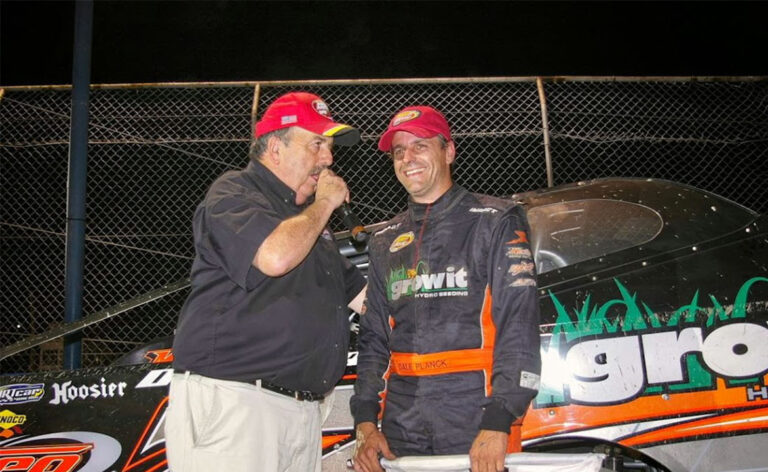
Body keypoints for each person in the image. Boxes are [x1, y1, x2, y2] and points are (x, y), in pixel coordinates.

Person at [165, 91, 367, 472]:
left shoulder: (309, 228)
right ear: (275, 149)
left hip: (301, 411)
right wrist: (324, 204)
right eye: (317, 145)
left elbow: (367, 300)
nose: (328, 159)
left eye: (329, 147)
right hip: (237, 402)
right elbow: (274, 257)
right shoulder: (234, 192)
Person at [350, 106, 541, 472]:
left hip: (475, 418)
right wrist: (365, 423)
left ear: (449, 152)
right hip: (401, 425)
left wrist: (499, 421)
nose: (408, 158)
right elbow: (373, 339)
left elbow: (519, 326)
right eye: (399, 151)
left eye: (420, 146)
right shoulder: (383, 240)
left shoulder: (498, 220)